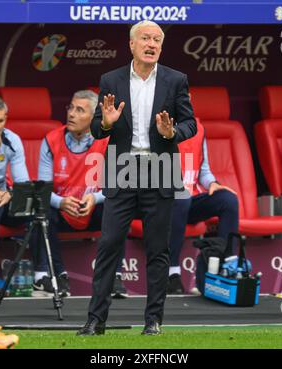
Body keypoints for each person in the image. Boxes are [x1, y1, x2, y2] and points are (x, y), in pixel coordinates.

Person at [78, 20, 197, 336]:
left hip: (159, 169)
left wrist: (173, 133)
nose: (152, 44)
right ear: (131, 44)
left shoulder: (175, 80)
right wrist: (104, 123)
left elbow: (190, 124)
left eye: (157, 39)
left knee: (158, 250)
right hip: (122, 169)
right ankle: (95, 320)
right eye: (145, 38)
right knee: (109, 245)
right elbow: (95, 130)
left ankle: (153, 321)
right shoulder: (111, 80)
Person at [30, 90, 129, 297]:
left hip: (92, 210)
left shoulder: (108, 141)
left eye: (79, 110)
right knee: (41, 210)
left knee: (118, 206)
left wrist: (95, 198)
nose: (71, 114)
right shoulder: (51, 140)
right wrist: (61, 202)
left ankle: (115, 277)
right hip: (62, 210)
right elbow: (43, 189)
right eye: (71, 108)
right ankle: (58, 277)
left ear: (94, 117)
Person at [167, 119, 239, 294]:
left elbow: (204, 170)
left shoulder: (198, 129)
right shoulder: (155, 124)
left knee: (228, 200)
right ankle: (171, 273)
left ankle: (227, 266)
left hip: (187, 200)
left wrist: (213, 183)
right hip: (160, 201)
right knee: (181, 197)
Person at [0, 94, 29, 294]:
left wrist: (9, 194)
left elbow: (22, 182)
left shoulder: (13, 140)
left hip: (1, 198)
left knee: (38, 210)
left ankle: (42, 275)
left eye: (0, 120)